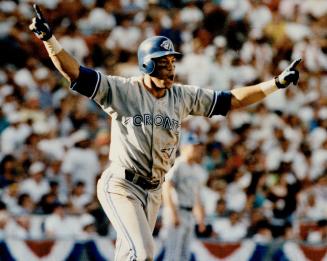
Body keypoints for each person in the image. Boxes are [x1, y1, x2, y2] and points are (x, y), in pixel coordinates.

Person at [29, 4, 301, 261]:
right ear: (147, 64)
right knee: (144, 253)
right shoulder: (123, 90)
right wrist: (49, 41)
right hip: (123, 185)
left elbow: (232, 99)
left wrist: (275, 83)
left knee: (129, 256)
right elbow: (76, 74)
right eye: (163, 61)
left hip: (154, 190)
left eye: (172, 60)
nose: (170, 67)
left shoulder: (182, 96)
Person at [161, 134, 207, 261]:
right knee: (173, 253)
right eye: (195, 147)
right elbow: (166, 188)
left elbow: (196, 195)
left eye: (199, 147)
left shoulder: (197, 169)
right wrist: (173, 213)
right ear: (184, 147)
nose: (198, 150)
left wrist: (200, 217)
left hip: (189, 213)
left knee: (185, 254)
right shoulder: (177, 165)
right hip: (177, 211)